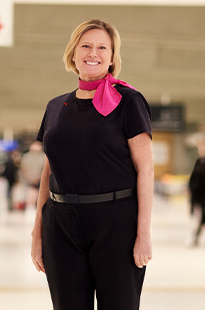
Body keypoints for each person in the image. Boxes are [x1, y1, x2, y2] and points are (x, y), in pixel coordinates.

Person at [31, 19, 154, 310]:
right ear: (73, 53)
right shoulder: (55, 107)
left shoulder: (129, 101)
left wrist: (143, 234)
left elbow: (146, 170)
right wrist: (38, 232)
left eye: (102, 47)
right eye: (85, 45)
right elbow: (49, 171)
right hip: (60, 224)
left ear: (112, 58)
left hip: (116, 222)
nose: (93, 53)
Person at [20, 142, 45, 208]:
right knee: (30, 198)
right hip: (29, 181)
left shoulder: (43, 157)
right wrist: (29, 179)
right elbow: (23, 169)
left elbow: (45, 170)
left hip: (40, 181)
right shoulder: (26, 157)